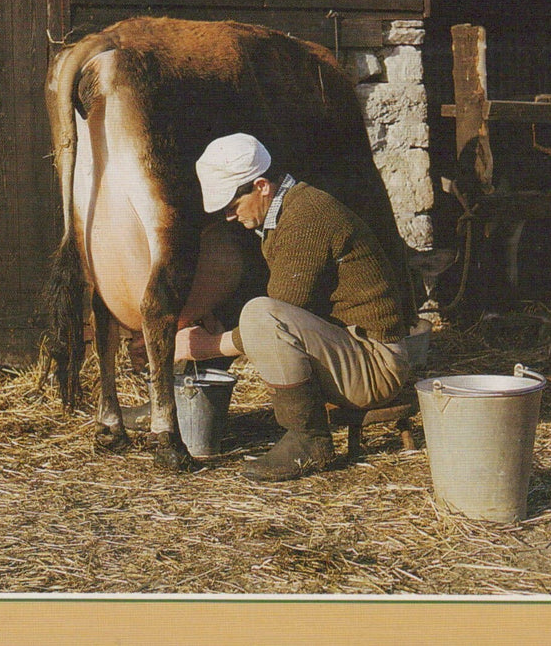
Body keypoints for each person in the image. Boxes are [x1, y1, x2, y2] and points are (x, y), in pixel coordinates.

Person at [174, 133, 414, 482]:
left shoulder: (306, 217)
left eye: (232, 205)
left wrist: (208, 348)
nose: (228, 216)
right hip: (354, 350)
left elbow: (275, 316)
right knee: (259, 313)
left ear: (261, 186)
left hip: (376, 366)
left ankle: (308, 439)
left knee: (260, 313)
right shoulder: (290, 211)